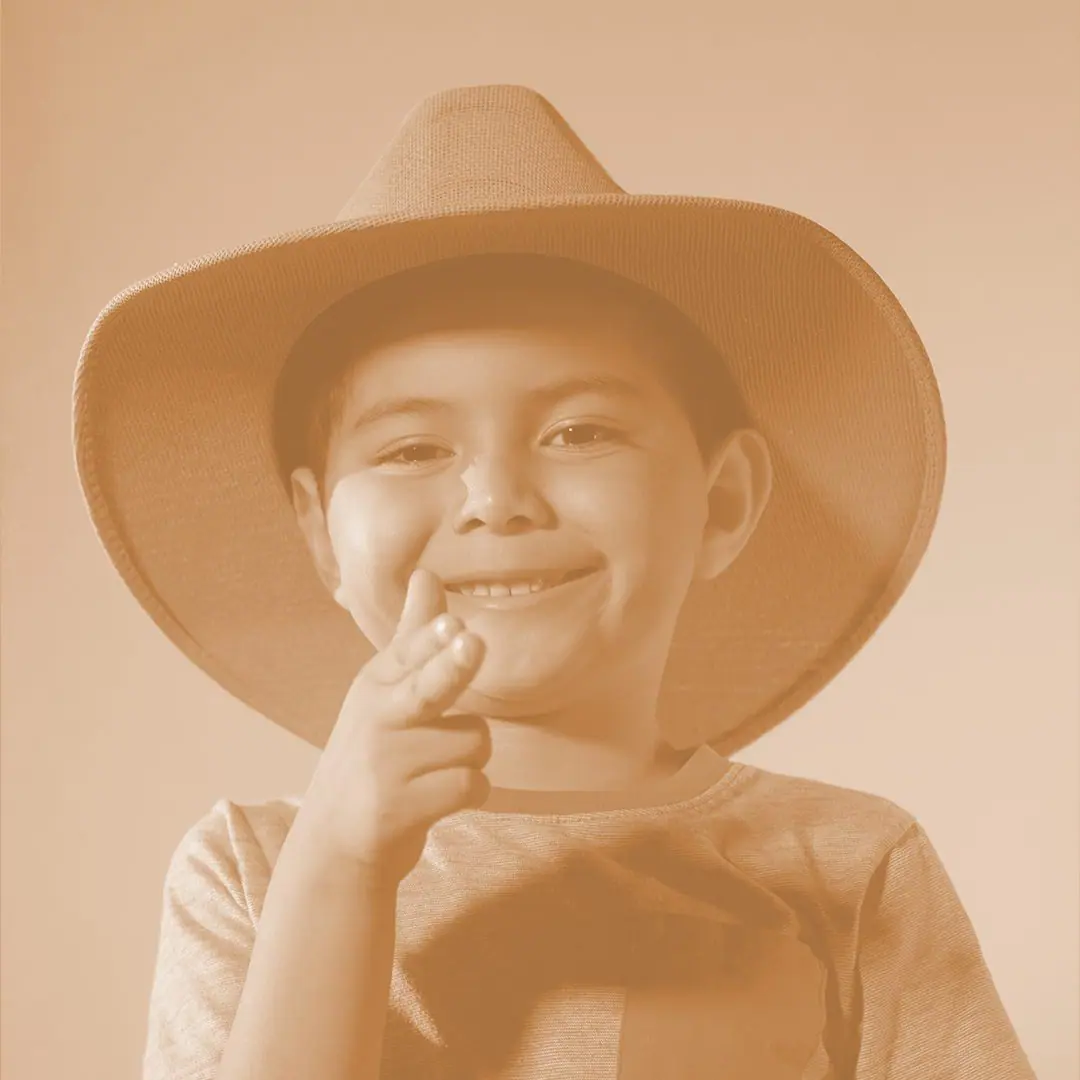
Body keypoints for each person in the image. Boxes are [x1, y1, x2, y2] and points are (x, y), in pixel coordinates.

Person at [73, 85, 1036, 1080]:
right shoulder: (252, 871)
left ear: (722, 503)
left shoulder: (850, 864)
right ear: (321, 535)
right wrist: (341, 874)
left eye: (580, 432)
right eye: (412, 449)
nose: (497, 500)